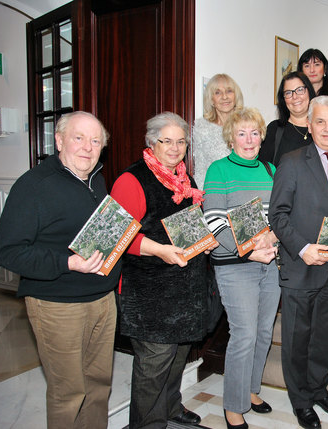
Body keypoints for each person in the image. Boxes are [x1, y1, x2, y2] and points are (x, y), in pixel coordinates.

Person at [0, 111, 120, 428]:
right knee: (69, 394)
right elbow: (6, 252)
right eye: (79, 138)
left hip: (102, 300)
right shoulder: (33, 186)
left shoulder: (97, 179)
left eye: (95, 141)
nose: (87, 148)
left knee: (99, 388)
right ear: (60, 140)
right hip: (57, 305)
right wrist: (68, 261)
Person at [269, 96, 328, 429]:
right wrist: (301, 248)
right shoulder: (292, 161)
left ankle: (318, 389)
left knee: (326, 337)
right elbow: (277, 215)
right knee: (298, 339)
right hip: (301, 266)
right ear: (309, 126)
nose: (327, 128)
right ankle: (301, 400)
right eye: (320, 122)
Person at [111, 112, 210, 428]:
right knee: (153, 365)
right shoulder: (132, 180)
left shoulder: (185, 179)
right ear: (152, 143)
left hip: (183, 290)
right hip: (149, 294)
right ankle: (148, 423)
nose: (175, 147)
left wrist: (202, 241)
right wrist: (158, 250)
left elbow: (188, 227)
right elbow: (116, 235)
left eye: (181, 141)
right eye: (166, 141)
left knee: (178, 355)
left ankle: (170, 407)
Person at [203, 108, 280, 429]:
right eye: (241, 133)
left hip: (271, 260)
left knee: (263, 332)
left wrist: (270, 241)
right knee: (244, 334)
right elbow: (214, 219)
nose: (249, 140)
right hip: (235, 264)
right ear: (230, 137)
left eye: (254, 133)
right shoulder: (218, 170)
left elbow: (280, 215)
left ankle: (251, 390)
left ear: (262, 136)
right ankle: (233, 405)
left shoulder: (271, 169)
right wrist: (250, 251)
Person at [192, 73, 244, 187]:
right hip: (214, 191)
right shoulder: (201, 128)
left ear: (236, 96)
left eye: (229, 91)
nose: (224, 97)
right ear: (211, 100)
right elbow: (200, 169)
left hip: (243, 189)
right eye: (217, 92)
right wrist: (200, 200)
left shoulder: (246, 124)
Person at [258, 71, 316, 166]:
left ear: (309, 91)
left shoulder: (323, 127)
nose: (295, 97)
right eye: (288, 93)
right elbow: (264, 170)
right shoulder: (274, 129)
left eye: (300, 90)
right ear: (283, 99)